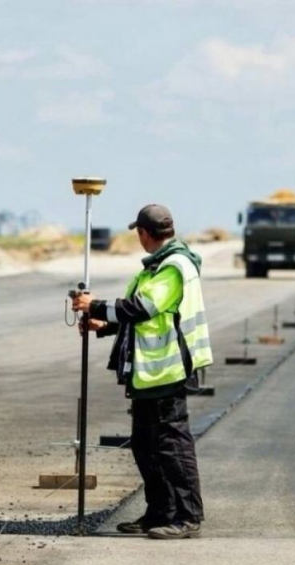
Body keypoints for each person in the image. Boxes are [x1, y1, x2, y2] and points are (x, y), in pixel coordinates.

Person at [72, 204, 213, 540]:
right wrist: (103, 324)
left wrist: (93, 304)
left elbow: (142, 307)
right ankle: (160, 512)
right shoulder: (154, 269)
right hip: (149, 374)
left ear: (144, 234)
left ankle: (187, 516)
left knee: (171, 447)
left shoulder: (173, 268)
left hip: (168, 370)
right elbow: (142, 318)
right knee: (145, 446)